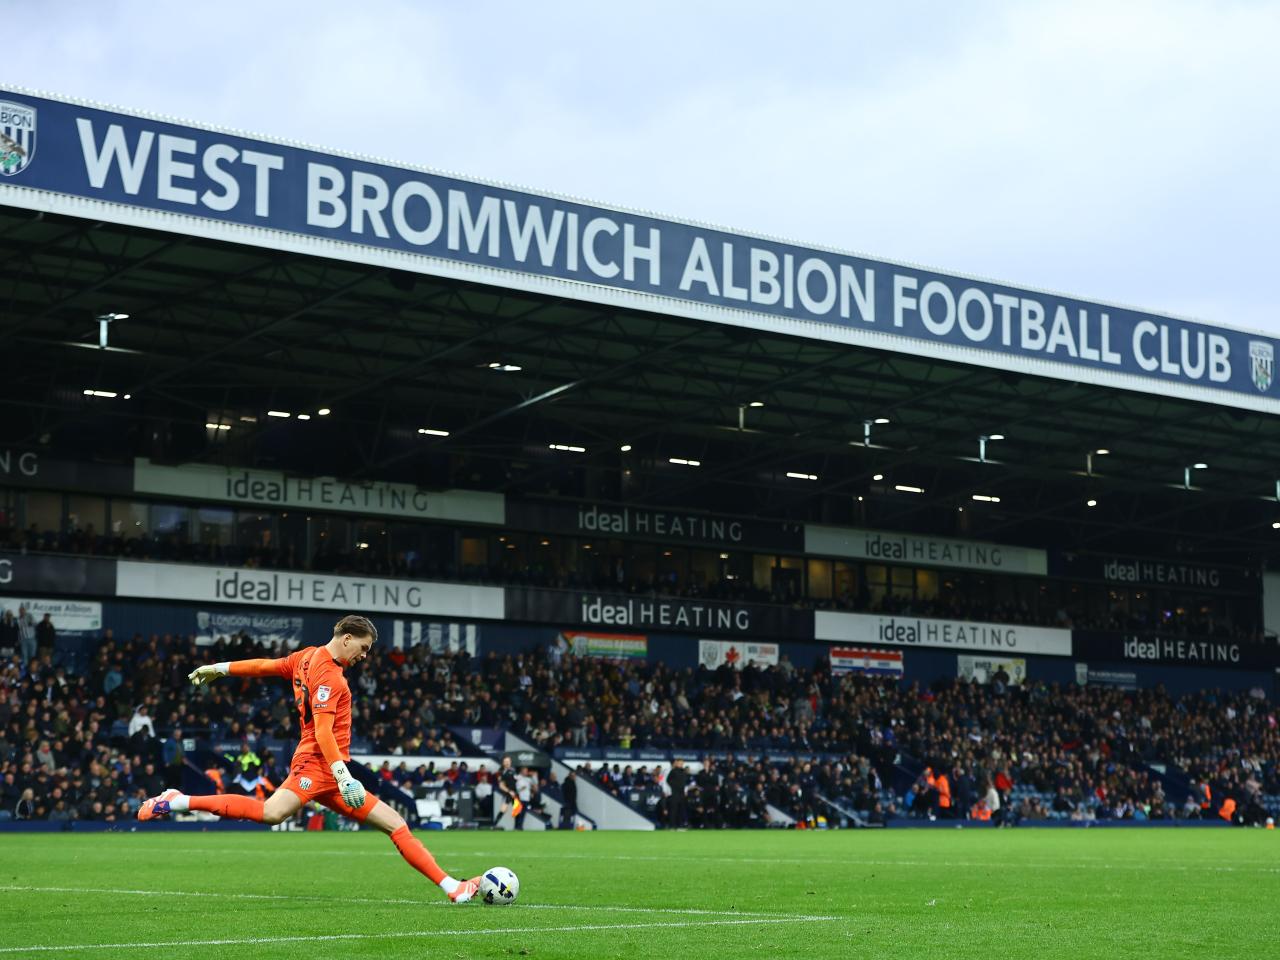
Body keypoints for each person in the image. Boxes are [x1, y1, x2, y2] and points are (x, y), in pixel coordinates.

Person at [136, 614, 484, 903]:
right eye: (363, 648)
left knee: (395, 824)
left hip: (328, 769)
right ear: (347, 638)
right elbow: (323, 732)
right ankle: (178, 800)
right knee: (272, 812)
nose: (364, 656)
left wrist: (220, 667)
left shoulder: (305, 657)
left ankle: (453, 888)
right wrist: (343, 776)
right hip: (319, 765)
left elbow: (263, 666)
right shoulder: (331, 677)